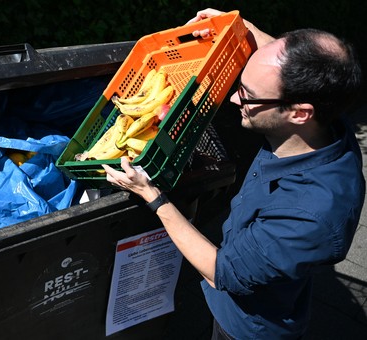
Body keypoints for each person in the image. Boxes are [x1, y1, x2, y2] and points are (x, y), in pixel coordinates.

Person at [102, 8, 364, 339]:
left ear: (299, 113)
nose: (233, 97)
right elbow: (282, 58)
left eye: (248, 95)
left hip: (247, 325)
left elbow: (220, 272)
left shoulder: (310, 215)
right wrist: (239, 27)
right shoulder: (326, 117)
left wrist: (153, 196)